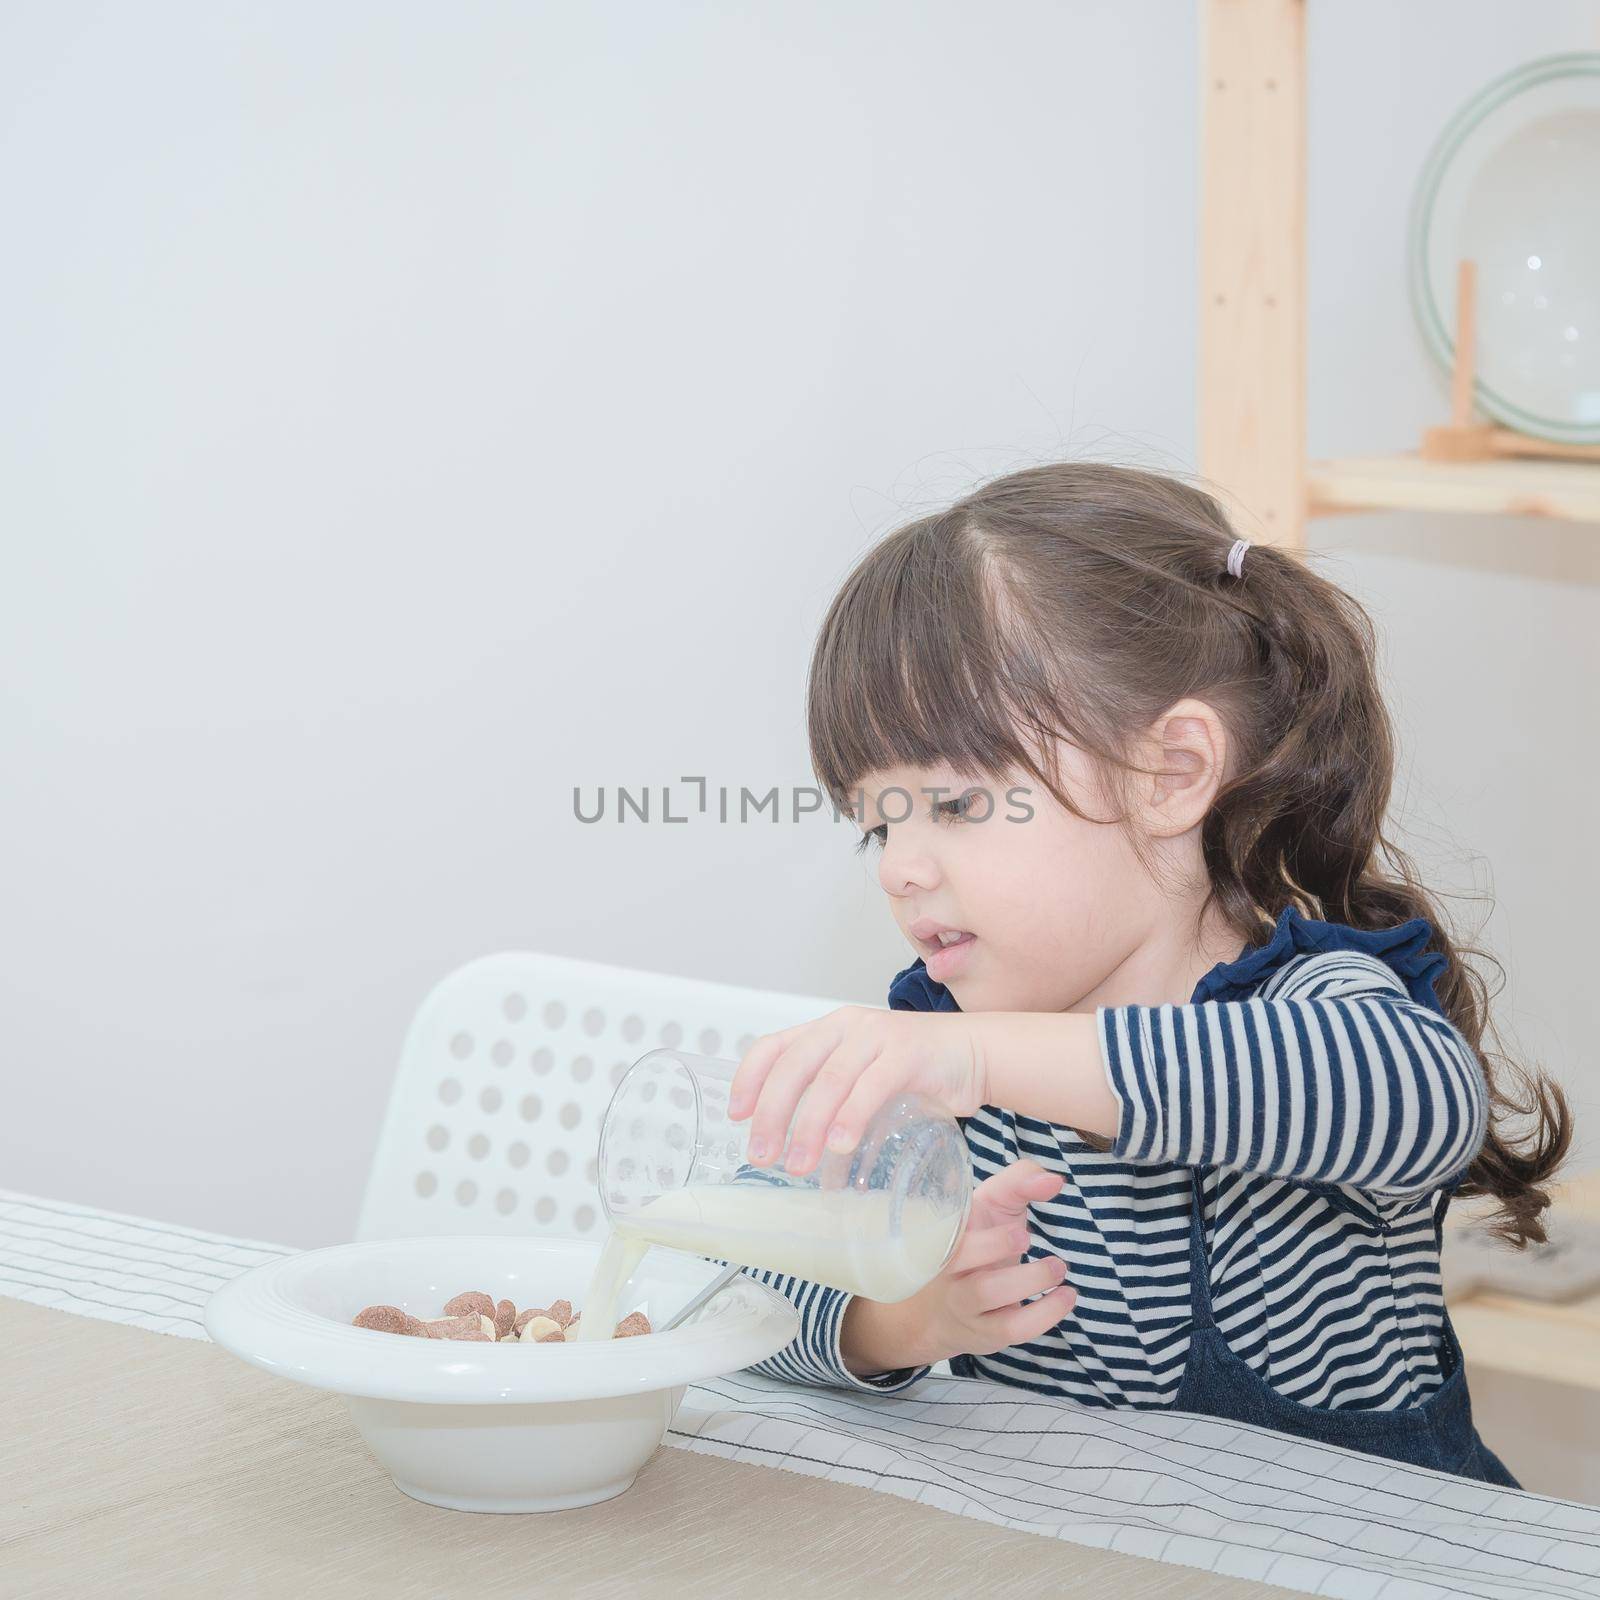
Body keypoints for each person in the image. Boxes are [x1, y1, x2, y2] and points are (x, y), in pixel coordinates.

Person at [725, 461, 1570, 1486]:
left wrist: (976, 1057)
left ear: (1170, 774)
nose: (901, 867)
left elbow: (1417, 1098)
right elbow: (733, 1285)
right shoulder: (939, 1050)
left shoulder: (1312, 1005)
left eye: (952, 806)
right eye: (875, 825)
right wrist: (896, 1316)